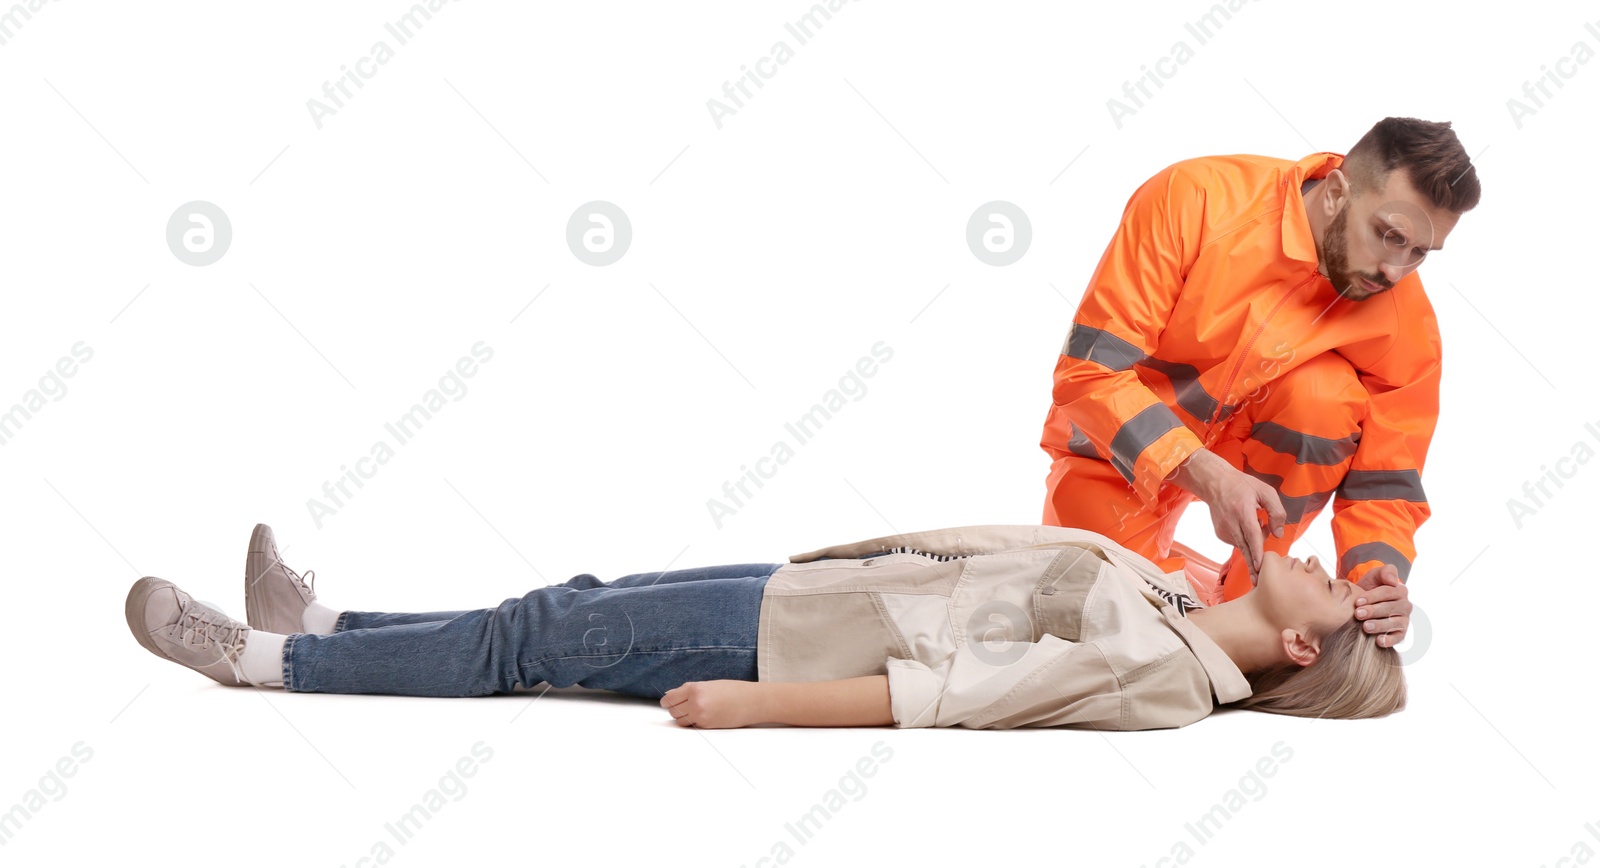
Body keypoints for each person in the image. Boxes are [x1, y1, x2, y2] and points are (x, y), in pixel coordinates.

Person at [124, 523, 1403, 730]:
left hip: (786, 645)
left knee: (533, 644)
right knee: (563, 608)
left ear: (1299, 648)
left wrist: (756, 703)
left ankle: (264, 661)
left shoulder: (1155, 667)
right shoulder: (1182, 600)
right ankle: (332, 620)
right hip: (815, 583)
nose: (1337, 567)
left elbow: (950, 693)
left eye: (1343, 593)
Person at [1039, 117, 1484, 650]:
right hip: (1119, 456)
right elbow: (1089, 373)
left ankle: (1248, 599)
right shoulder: (1194, 199)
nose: (1396, 269)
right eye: (1390, 236)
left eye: (1419, 253)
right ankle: (1206, 604)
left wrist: (1375, 572)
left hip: (1259, 499)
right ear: (1338, 191)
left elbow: (1387, 480)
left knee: (1323, 397)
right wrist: (1203, 471)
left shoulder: (1404, 321)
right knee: (1094, 621)